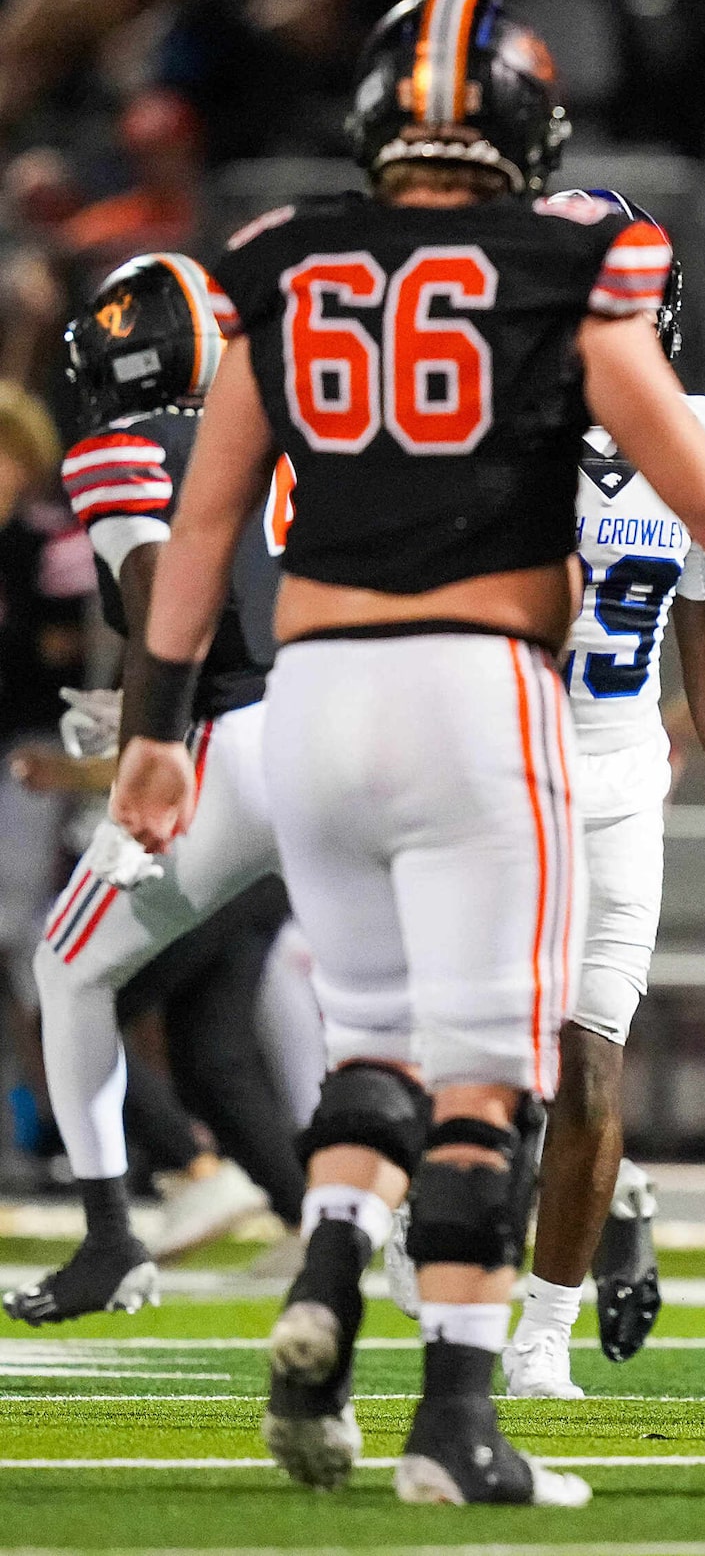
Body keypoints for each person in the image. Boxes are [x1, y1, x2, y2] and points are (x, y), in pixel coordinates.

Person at [105, 0, 705, 1507]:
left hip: (311, 698)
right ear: (527, 128)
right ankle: (457, 1419)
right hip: (482, 693)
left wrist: (154, 731)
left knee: (370, 1048)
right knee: (484, 1077)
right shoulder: (562, 264)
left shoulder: (277, 257)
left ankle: (330, 1281)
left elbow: (200, 528)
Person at [499, 190, 705, 1397]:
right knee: (470, 1066)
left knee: (590, 1065)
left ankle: (540, 1336)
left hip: (614, 778)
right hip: (497, 772)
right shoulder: (493, 424)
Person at [6, 253, 295, 1324]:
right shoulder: (276, 435)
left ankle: (111, 1238)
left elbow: (160, 589)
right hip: (332, 730)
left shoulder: (124, 446)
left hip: (227, 744)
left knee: (65, 970)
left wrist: (141, 758)